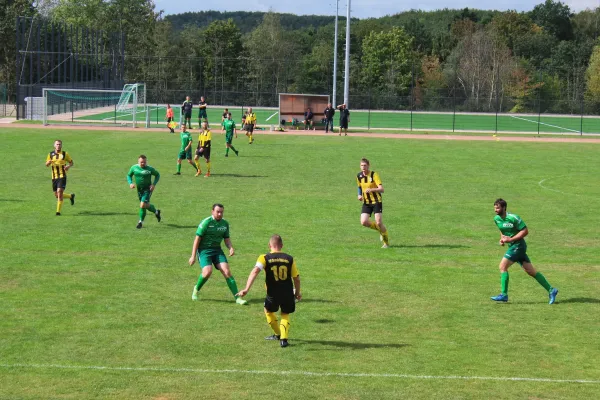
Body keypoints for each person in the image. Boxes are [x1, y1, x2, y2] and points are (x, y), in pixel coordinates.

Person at [236, 234, 301, 348]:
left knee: (268, 310)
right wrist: (297, 293)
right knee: (285, 313)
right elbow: (296, 278)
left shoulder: (264, 258)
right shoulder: (290, 258)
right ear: (281, 245)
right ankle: (283, 340)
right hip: (287, 292)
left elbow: (255, 271)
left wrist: (246, 289)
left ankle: (278, 334)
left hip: (272, 292)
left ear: (269, 245)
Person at [491, 199, 559, 304]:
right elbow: (502, 230)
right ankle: (551, 290)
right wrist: (502, 239)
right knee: (531, 271)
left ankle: (504, 295)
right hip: (513, 246)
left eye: (498, 208)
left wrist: (511, 239)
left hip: (519, 246)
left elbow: (525, 231)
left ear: (504, 208)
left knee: (502, 267)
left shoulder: (513, 218)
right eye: (495, 207)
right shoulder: (497, 219)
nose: (496, 210)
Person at [188, 203, 248, 306]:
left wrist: (231, 248)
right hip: (204, 251)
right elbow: (197, 239)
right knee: (207, 272)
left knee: (227, 272)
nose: (220, 214)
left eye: (221, 212)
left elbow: (226, 238)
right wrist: (193, 256)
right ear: (212, 212)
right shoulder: (206, 222)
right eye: (218, 212)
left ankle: (237, 298)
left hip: (217, 250)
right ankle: (196, 289)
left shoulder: (225, 224)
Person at [357, 158, 389, 248]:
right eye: (362, 165)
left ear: (368, 166)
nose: (363, 167)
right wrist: (359, 195)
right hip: (366, 202)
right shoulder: (359, 176)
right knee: (363, 222)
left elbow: (382, 189)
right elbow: (359, 187)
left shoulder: (374, 175)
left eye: (365, 165)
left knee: (379, 222)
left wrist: (371, 189)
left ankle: (386, 243)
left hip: (376, 201)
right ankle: (380, 230)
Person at [126, 155, 161, 229]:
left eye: (144, 162)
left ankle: (140, 222)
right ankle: (156, 212)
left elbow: (157, 175)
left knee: (142, 205)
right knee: (146, 205)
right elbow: (129, 175)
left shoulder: (150, 169)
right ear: (138, 162)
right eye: (141, 162)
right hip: (139, 190)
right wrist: (130, 183)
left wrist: (153, 184)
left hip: (147, 190)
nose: (143, 163)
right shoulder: (134, 168)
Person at [45, 140, 75, 216]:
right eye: (57, 144)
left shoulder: (65, 154)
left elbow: (71, 162)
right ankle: (70, 196)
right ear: (54, 145)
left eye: (59, 144)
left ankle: (58, 212)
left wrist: (68, 166)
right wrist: (48, 163)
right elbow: (47, 164)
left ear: (61, 146)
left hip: (62, 176)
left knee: (59, 191)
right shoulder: (50, 154)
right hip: (54, 177)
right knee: (57, 195)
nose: (58, 145)